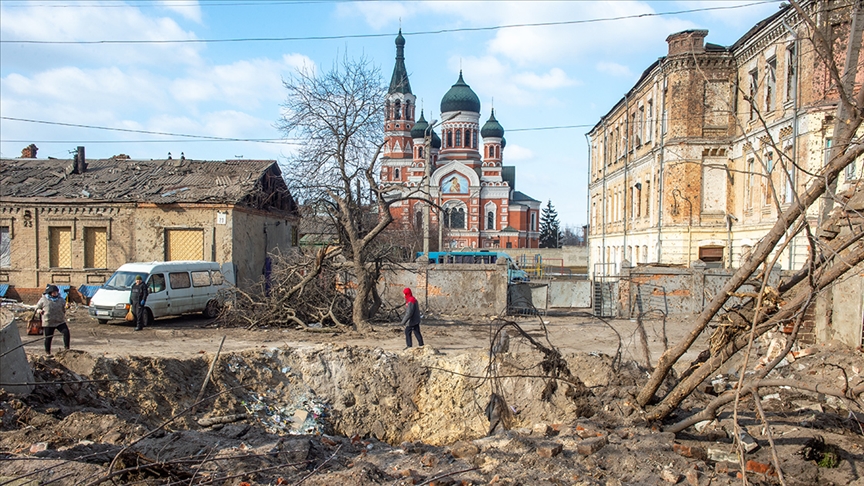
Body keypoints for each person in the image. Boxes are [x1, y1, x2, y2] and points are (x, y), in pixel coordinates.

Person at [35, 285, 70, 355]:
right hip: (48, 322)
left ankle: (67, 349)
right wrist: (40, 311)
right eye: (53, 292)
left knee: (66, 333)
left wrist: (67, 306)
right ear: (50, 293)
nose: (55, 293)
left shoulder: (60, 299)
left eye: (56, 292)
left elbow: (65, 306)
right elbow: (37, 308)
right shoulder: (43, 299)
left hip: (59, 321)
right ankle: (48, 352)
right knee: (48, 338)